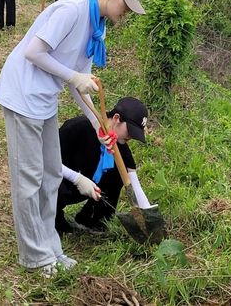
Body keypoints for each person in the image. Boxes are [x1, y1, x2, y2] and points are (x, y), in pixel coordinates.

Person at [0, 0, 145, 276]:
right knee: (29, 180)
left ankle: (51, 248)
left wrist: (98, 126)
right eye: (126, 6)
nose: (126, 14)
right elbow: (34, 52)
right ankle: (34, 256)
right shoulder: (72, 10)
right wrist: (73, 75)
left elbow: (81, 85)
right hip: (23, 95)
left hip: (44, 99)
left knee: (50, 175)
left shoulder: (95, 25)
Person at [55, 96, 157, 234]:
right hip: (56, 183)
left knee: (120, 173)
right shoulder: (77, 128)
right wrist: (76, 178)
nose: (131, 137)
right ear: (116, 118)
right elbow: (46, 161)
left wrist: (148, 216)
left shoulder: (120, 146)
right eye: (130, 131)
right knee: (49, 182)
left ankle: (92, 219)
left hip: (88, 190)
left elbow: (133, 183)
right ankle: (52, 220)